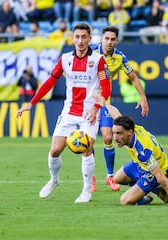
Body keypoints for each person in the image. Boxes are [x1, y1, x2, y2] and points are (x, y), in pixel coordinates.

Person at [16, 23, 111, 203]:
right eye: (77, 37)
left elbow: (106, 89)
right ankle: (54, 180)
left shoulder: (99, 60)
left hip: (88, 113)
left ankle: (86, 191)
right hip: (69, 112)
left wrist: (95, 108)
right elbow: (50, 82)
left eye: (84, 37)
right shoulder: (65, 58)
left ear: (90, 39)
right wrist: (31, 103)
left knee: (86, 148)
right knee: (54, 151)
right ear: (72, 38)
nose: (80, 41)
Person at [95, 94, 168, 207]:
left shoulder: (143, 152)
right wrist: (105, 104)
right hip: (139, 165)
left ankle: (154, 188)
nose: (115, 137)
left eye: (118, 133)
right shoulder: (131, 128)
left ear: (129, 132)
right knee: (117, 178)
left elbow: (159, 174)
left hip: (153, 171)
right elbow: (116, 115)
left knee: (125, 201)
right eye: (114, 133)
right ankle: (143, 192)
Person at [91, 25, 149, 192]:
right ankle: (90, 178)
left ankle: (110, 176)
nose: (109, 42)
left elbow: (134, 77)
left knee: (108, 138)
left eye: (112, 39)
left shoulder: (120, 57)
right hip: (88, 102)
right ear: (101, 39)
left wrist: (143, 97)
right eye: (106, 38)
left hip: (105, 102)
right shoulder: (90, 53)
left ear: (117, 41)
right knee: (88, 141)